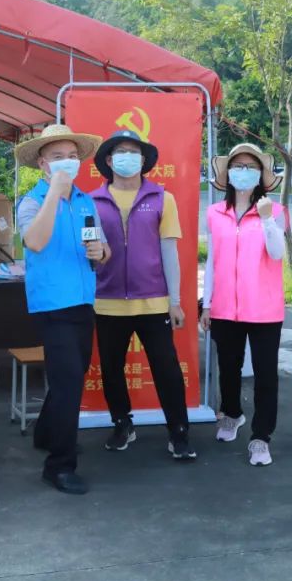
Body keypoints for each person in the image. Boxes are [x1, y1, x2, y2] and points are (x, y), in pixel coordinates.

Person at [90, 129, 195, 460]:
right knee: (111, 369)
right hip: (107, 302)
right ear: (109, 161)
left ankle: (179, 432)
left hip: (154, 302)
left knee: (166, 368)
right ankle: (123, 424)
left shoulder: (162, 198)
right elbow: (88, 253)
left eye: (134, 152)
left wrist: (175, 301)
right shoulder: (91, 202)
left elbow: (169, 252)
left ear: (144, 159)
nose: (128, 157)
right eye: (121, 152)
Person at [16, 123, 108, 495]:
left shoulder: (86, 201)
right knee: (69, 382)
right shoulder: (32, 202)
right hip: (53, 304)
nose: (66, 163)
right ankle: (59, 465)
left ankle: (46, 433)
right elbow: (35, 242)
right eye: (57, 157)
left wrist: (101, 252)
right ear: (42, 164)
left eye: (72, 156)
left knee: (71, 375)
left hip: (84, 300)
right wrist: (54, 193)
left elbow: (101, 248)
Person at [200, 143, 286, 467]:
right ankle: (232, 414)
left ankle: (261, 436)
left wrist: (266, 219)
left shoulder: (275, 211)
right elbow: (213, 261)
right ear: (229, 174)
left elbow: (276, 253)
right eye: (239, 166)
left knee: (265, 375)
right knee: (228, 368)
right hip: (225, 306)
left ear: (261, 175)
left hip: (264, 308)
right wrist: (207, 303)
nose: (244, 172)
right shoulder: (215, 213)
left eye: (251, 167)